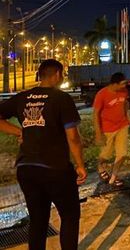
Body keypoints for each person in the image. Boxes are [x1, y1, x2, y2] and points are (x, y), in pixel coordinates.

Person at [0, 59, 86, 250]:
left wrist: (18, 131)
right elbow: (73, 137)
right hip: (55, 169)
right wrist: (80, 165)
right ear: (57, 74)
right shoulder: (61, 98)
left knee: (38, 221)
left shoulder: (22, 97)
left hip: (26, 168)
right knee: (70, 216)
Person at [93, 72, 130, 187]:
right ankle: (100, 167)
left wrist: (129, 118)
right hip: (108, 128)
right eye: (122, 83)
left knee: (122, 154)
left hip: (122, 126)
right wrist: (98, 134)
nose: (125, 86)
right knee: (106, 155)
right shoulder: (102, 94)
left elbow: (125, 104)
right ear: (115, 84)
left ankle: (113, 177)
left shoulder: (124, 91)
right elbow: (95, 114)